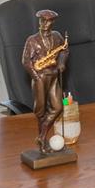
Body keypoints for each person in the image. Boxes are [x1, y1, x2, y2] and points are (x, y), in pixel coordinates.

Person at [21, 9, 69, 154]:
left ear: (53, 22)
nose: (44, 23)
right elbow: (25, 61)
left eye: (47, 21)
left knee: (58, 107)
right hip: (40, 77)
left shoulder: (57, 36)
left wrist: (62, 62)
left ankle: (41, 137)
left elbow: (64, 50)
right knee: (40, 111)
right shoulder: (32, 40)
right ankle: (43, 142)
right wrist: (36, 76)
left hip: (54, 75)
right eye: (42, 20)